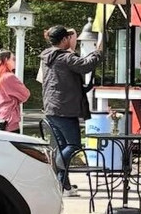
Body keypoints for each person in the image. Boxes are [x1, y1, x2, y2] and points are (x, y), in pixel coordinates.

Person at [40, 25, 103, 196]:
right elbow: (85, 65)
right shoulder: (64, 58)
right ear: (64, 40)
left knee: (62, 146)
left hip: (52, 108)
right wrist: (98, 51)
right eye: (69, 37)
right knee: (73, 145)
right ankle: (55, 165)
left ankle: (63, 186)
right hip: (65, 109)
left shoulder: (47, 57)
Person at [0, 50, 30, 133]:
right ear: (6, 60)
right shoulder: (9, 77)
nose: (15, 61)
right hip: (9, 120)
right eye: (13, 59)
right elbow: (26, 94)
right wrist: (17, 99)